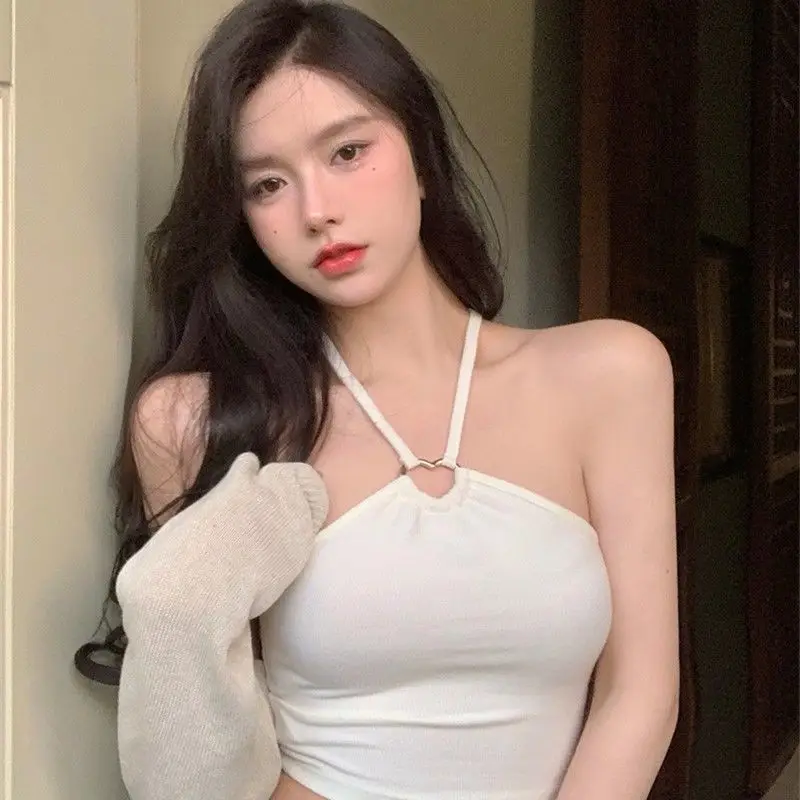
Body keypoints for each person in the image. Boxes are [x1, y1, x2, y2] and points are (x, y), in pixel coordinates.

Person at [81, 0, 681, 797]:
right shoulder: (193, 420)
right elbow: (210, 755)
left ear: (422, 154)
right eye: (267, 184)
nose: (317, 211)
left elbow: (640, 691)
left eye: (348, 151)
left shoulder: (610, 374)